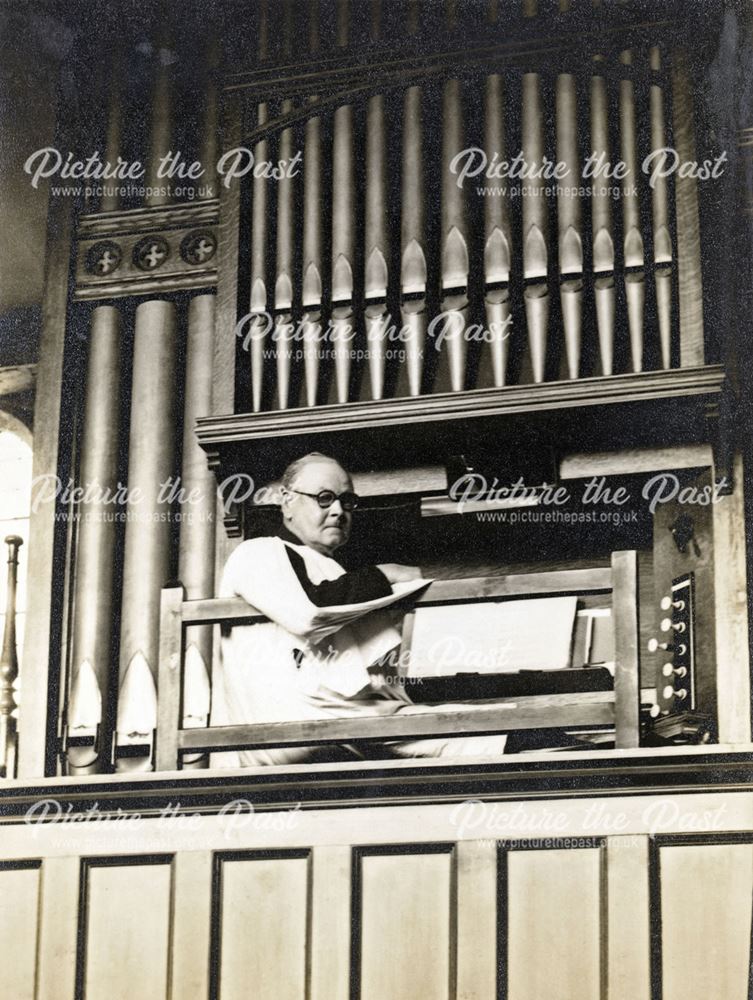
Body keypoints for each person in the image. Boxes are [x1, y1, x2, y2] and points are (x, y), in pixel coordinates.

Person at [212, 451, 509, 765]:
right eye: (324, 498)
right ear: (287, 501)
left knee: (488, 723)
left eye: (348, 501)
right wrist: (387, 574)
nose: (339, 510)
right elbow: (310, 610)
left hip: (340, 717)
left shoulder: (330, 569)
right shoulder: (258, 551)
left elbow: (371, 671)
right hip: (303, 719)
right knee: (485, 728)